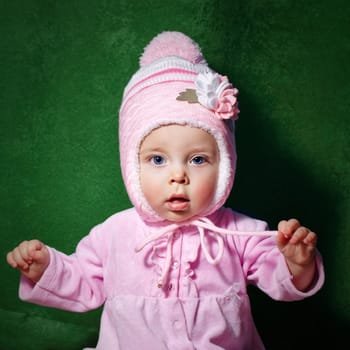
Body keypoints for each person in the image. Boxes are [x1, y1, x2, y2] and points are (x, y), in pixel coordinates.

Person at [6, 31, 324, 350]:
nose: (178, 176)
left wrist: (297, 263)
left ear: (226, 165)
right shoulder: (113, 234)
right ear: (132, 166)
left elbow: (280, 278)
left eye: (198, 159)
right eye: (157, 159)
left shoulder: (241, 234)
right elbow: (83, 282)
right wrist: (46, 268)